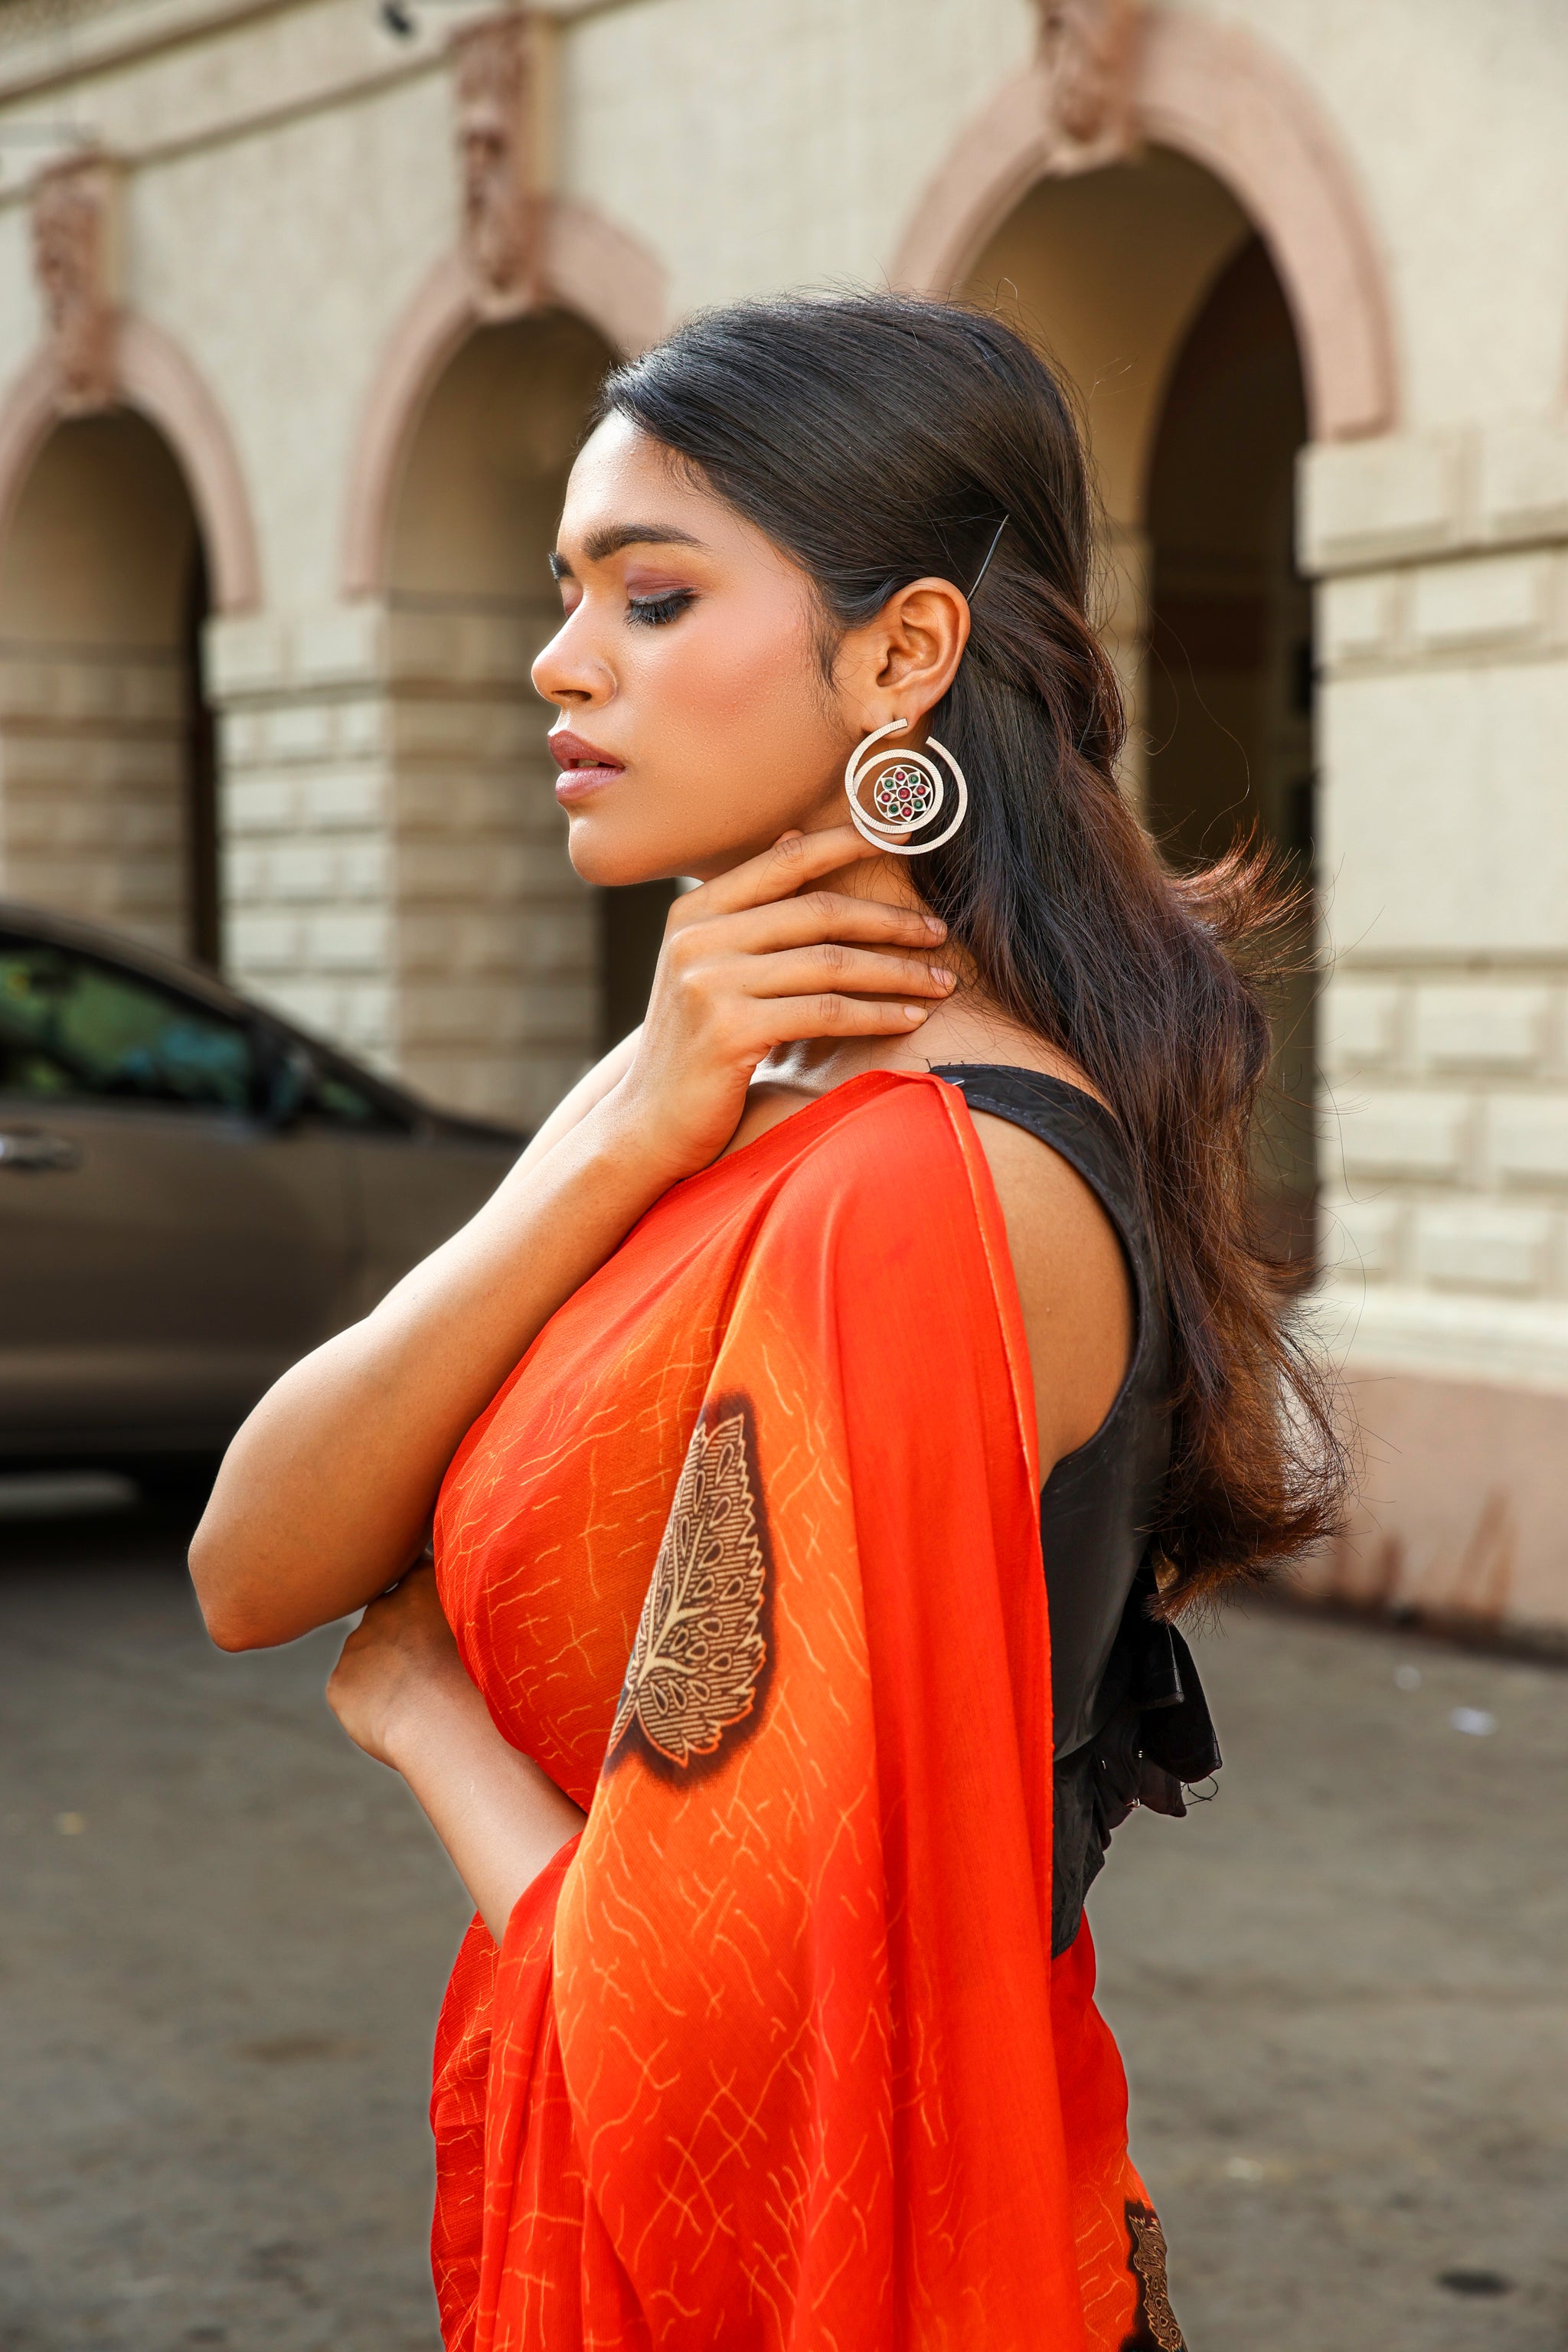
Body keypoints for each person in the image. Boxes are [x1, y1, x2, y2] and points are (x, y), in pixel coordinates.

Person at [190, 293, 1341, 2351]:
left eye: (649, 597)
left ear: (901, 654)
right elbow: (252, 1558)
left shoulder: (918, 1184)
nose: (560, 663)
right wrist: (628, 1122)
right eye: (569, 594)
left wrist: (426, 1715)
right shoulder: (717, 1087)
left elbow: (722, 2042)